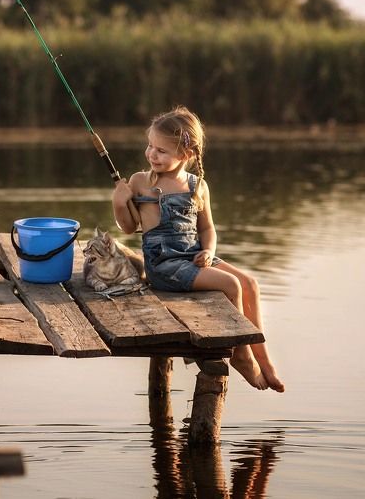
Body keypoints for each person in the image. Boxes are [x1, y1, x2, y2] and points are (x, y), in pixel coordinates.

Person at [112, 106, 284, 392]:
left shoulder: (197, 186)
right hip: (164, 266)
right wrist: (119, 202)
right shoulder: (141, 182)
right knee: (231, 284)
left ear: (186, 154)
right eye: (150, 146)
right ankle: (242, 355)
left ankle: (264, 360)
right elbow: (129, 226)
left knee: (250, 283)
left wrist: (208, 250)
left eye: (161, 151)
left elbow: (207, 229)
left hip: (193, 256)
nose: (152, 154)